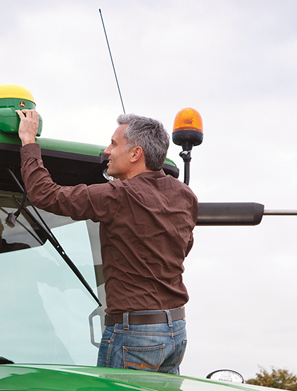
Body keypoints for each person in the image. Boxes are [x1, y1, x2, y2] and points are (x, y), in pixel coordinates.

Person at [16, 109, 198, 374]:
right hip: (175, 331)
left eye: (113, 144)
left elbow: (46, 195)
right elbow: (184, 247)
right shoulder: (185, 195)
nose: (106, 151)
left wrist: (29, 142)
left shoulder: (119, 195)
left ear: (136, 154)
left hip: (135, 333)